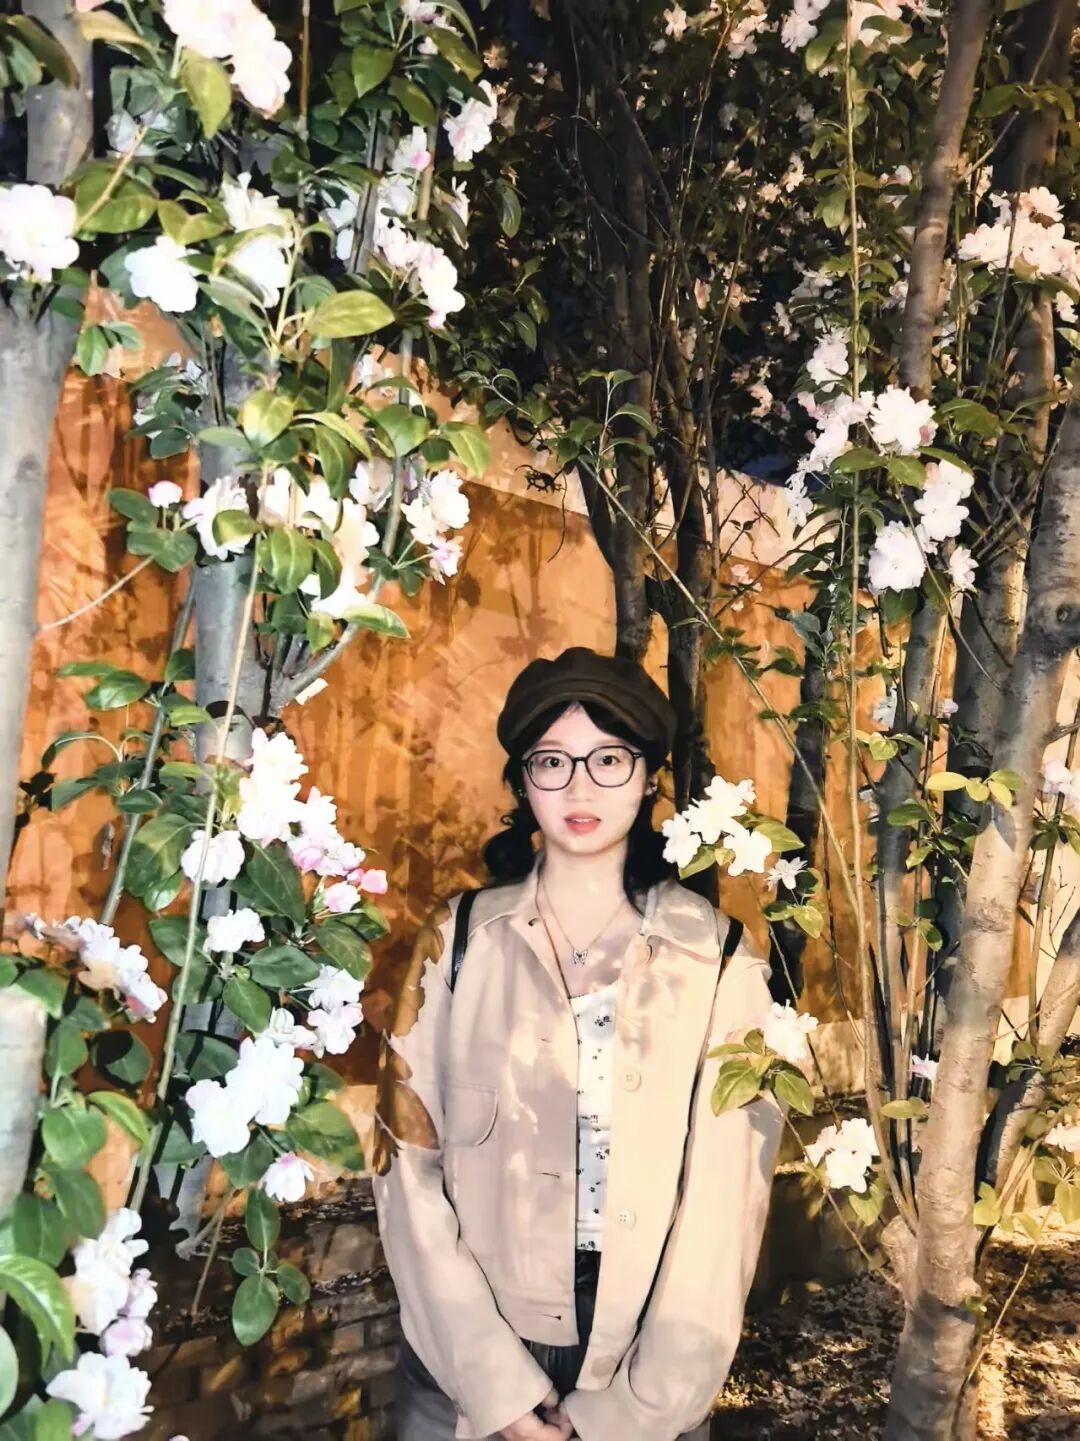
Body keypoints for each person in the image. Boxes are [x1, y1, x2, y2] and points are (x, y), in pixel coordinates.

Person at [371, 646, 784, 1441]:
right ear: (523, 780)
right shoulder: (456, 942)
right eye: (552, 761)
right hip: (463, 1355)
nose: (580, 787)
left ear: (649, 776)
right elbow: (405, 1167)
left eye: (609, 758)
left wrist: (635, 1411)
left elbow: (725, 1208)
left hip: (638, 1356)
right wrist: (493, 1385)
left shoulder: (719, 957)